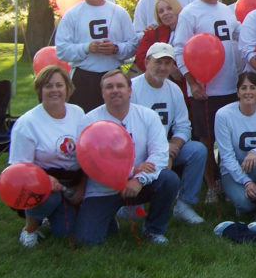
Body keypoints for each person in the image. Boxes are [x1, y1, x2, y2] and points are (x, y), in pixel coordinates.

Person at [75, 70, 180, 245]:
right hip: (103, 189)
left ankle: (153, 229)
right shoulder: (89, 121)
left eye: (120, 86)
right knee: (87, 241)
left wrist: (139, 179)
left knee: (169, 180)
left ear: (130, 90)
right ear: (102, 93)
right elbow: (89, 162)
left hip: (139, 185)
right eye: (109, 87)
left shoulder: (148, 116)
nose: (115, 90)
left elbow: (160, 154)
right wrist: (131, 170)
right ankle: (109, 220)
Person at [173, 0, 241, 203]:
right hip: (203, 90)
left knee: (227, 141)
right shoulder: (190, 12)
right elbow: (179, 50)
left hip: (230, 88)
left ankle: (225, 182)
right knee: (205, 140)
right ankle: (211, 186)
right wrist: (192, 83)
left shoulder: (228, 11)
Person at [8, 65, 86, 247]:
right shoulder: (27, 123)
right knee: (48, 196)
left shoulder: (78, 113)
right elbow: (18, 169)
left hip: (73, 182)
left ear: (67, 88)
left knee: (65, 232)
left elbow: (87, 154)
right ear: (40, 89)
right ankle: (29, 229)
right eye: (48, 86)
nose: (54, 90)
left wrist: (82, 187)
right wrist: (44, 178)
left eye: (59, 85)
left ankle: (51, 214)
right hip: (39, 183)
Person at [131, 43, 207, 225]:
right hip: (137, 150)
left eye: (168, 63)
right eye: (158, 62)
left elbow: (183, 126)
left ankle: (184, 204)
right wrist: (160, 153)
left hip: (164, 146)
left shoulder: (174, 90)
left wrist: (172, 147)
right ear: (147, 61)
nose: (163, 67)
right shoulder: (132, 88)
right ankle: (129, 202)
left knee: (198, 150)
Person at [55, 0, 138, 112]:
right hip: (83, 78)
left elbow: (132, 45)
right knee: (83, 120)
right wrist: (87, 48)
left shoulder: (119, 12)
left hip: (113, 76)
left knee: (115, 119)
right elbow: (62, 50)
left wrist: (115, 49)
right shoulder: (72, 15)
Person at [214, 72, 256, 223]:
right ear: (237, 92)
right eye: (243, 88)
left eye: (253, 88)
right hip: (232, 170)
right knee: (246, 205)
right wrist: (246, 181)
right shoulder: (223, 115)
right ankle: (246, 199)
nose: (248, 92)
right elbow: (227, 157)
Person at [134, 0, 188, 101]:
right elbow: (141, 58)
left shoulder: (190, 30)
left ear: (177, 8)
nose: (166, 13)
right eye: (161, 11)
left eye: (169, 8)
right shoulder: (152, 33)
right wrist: (167, 68)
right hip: (158, 87)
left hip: (185, 88)